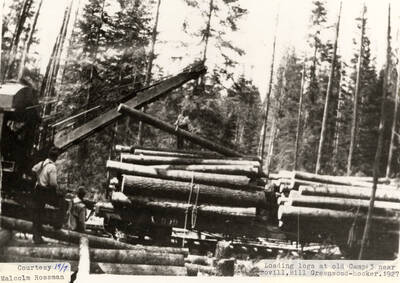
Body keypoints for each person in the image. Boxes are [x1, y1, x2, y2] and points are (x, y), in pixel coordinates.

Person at [31, 146, 67, 244]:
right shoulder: (52, 167)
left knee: (37, 213)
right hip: (44, 192)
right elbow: (53, 184)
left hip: (37, 190)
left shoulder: (42, 163)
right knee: (63, 202)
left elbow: (33, 170)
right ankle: (57, 224)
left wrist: (39, 179)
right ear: (56, 157)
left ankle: (36, 236)